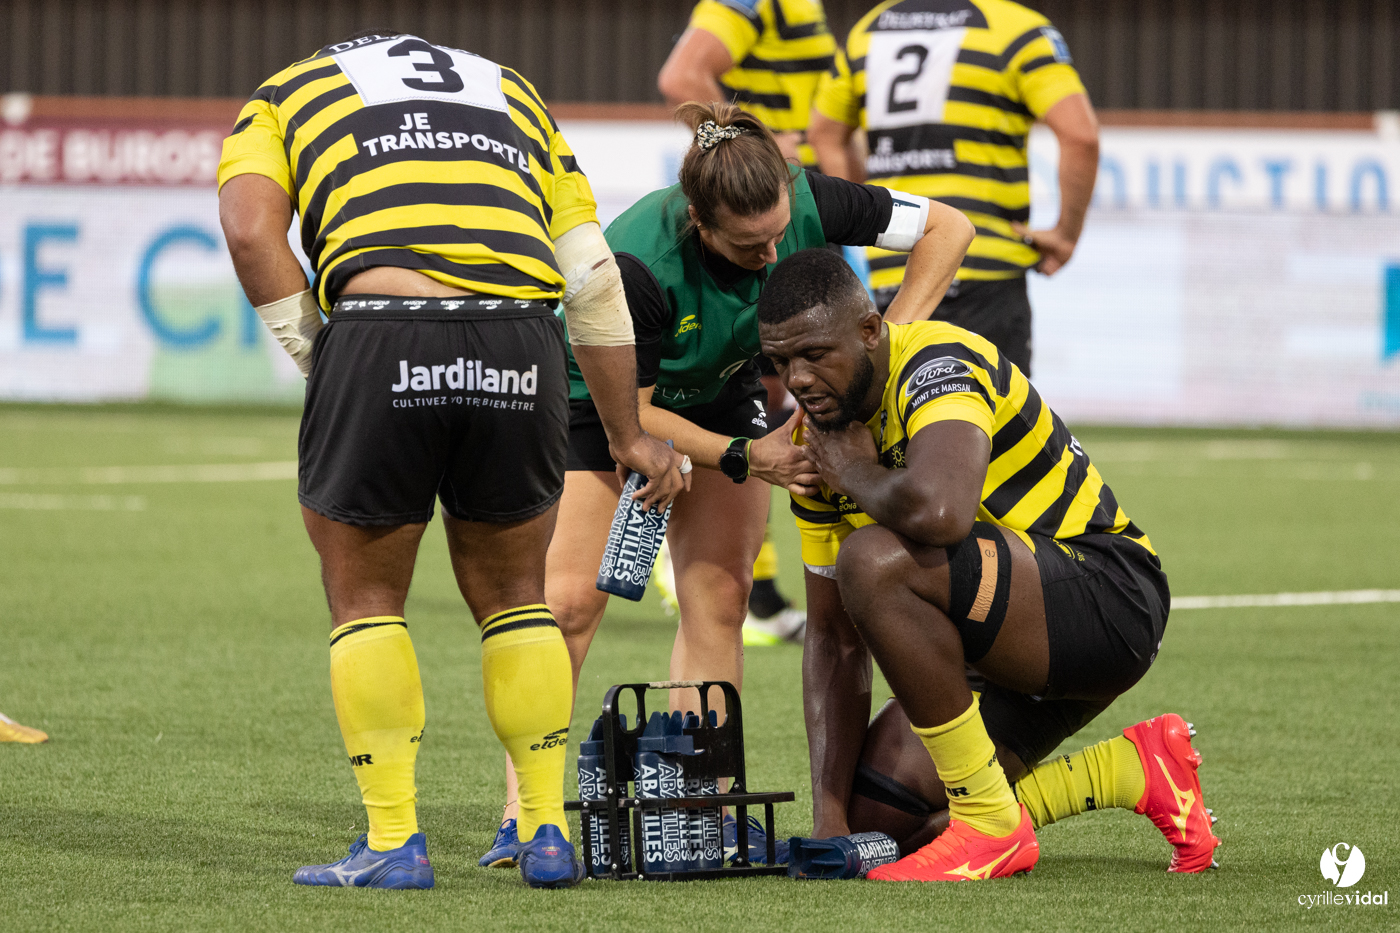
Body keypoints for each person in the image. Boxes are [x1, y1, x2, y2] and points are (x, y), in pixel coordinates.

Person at [217, 30, 684, 890]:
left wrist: (329, 362)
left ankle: (394, 841)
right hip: (519, 338)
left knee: (365, 598)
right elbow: (591, 274)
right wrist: (627, 435)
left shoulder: (286, 91)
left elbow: (251, 232)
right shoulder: (515, 91)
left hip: (380, 330)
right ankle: (544, 833)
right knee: (516, 598)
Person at [480, 101, 975, 868]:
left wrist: (886, 344)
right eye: (751, 246)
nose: (775, 255)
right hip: (602, 403)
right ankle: (527, 811)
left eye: (781, 232)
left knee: (720, 596)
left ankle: (698, 804)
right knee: (573, 601)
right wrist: (747, 457)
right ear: (699, 224)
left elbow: (950, 230)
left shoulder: (811, 199)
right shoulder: (637, 264)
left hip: (718, 392)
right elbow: (637, 418)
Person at [756, 248, 1220, 881]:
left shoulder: (937, 362)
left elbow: (942, 513)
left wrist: (855, 473)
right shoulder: (819, 440)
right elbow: (834, 639)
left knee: (875, 558)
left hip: (1107, 600)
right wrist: (830, 823)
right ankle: (1129, 770)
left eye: (814, 354)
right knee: (878, 829)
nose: (798, 380)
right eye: (781, 363)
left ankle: (988, 823)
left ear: (870, 330)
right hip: (996, 641)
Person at [658, 0, 841, 644]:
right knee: (754, 395)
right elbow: (684, 77)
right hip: (768, 202)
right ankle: (744, 577)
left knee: (778, 393)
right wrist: (764, 153)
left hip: (784, 211)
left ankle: (755, 583)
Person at [808, 0, 1101, 375]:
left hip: (893, 264)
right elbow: (1080, 136)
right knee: (995, 423)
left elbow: (824, 133)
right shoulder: (1017, 29)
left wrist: (865, 210)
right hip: (983, 264)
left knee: (894, 420)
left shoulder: (869, 31)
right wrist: (1066, 233)